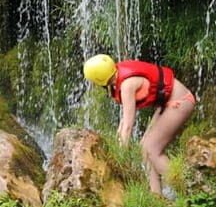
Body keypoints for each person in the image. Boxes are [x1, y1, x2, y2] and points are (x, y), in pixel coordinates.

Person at [83, 54, 195, 198]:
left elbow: (129, 124)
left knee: (152, 149)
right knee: (144, 148)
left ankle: (188, 192)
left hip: (180, 102)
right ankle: (156, 197)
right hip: (166, 103)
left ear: (99, 80)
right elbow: (123, 122)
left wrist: (122, 155)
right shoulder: (118, 76)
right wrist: (118, 145)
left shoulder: (126, 85)